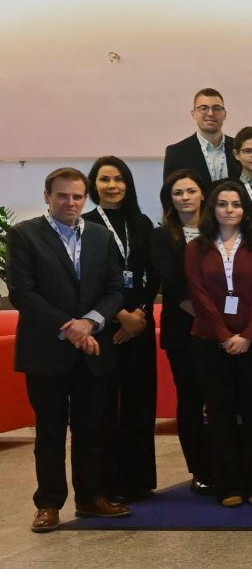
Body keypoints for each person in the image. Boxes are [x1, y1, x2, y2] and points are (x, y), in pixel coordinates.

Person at [11, 168, 131, 532]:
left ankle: (90, 498)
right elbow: (22, 292)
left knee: (91, 429)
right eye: (62, 195)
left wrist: (90, 323)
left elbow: (115, 289)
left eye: (78, 196)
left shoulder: (100, 236)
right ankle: (48, 504)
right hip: (46, 350)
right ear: (47, 197)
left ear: (86, 198)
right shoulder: (24, 234)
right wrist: (70, 327)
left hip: (92, 349)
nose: (71, 202)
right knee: (49, 432)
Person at [186, 180, 252, 508]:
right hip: (210, 342)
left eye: (236, 204)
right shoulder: (196, 248)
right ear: (212, 209)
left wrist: (248, 336)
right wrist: (224, 336)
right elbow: (198, 294)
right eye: (223, 204)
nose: (230, 210)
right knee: (220, 414)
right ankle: (227, 484)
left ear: (245, 209)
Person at [80, 157, 159, 504]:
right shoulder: (85, 224)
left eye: (119, 179)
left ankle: (138, 481)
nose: (112, 185)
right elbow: (86, 281)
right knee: (104, 408)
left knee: (140, 402)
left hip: (140, 325)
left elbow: (153, 273)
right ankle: (109, 484)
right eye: (104, 179)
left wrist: (140, 314)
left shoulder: (141, 223)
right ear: (93, 185)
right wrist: (119, 316)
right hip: (105, 328)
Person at [151, 171, 213, 497]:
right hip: (184, 331)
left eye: (191, 191)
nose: (185, 197)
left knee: (220, 400)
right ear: (170, 199)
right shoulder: (162, 237)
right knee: (191, 400)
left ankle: (225, 464)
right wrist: (212, 321)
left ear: (203, 194)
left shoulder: (220, 229)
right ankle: (200, 470)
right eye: (178, 193)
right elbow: (173, 285)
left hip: (223, 330)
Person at [165, 88, 232, 185]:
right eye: (204, 108)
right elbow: (171, 192)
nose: (210, 113)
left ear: (225, 114)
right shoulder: (176, 153)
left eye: (217, 108)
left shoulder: (240, 148)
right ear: (193, 114)